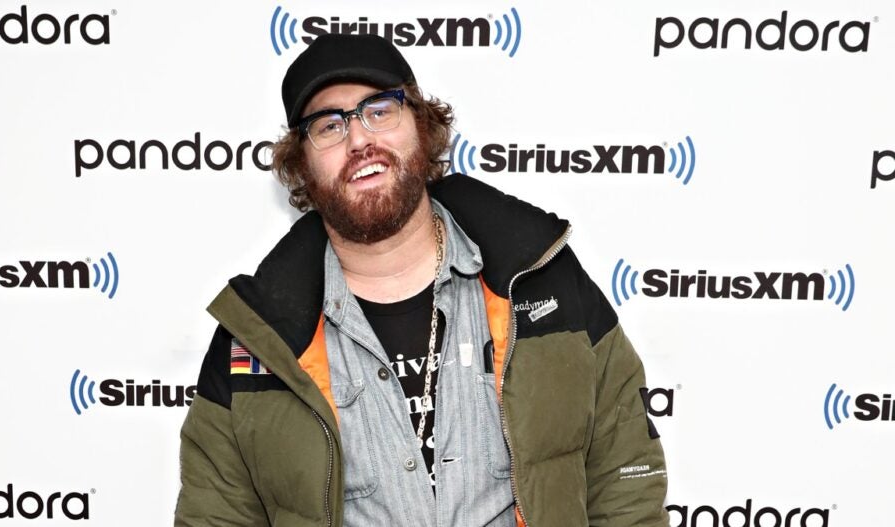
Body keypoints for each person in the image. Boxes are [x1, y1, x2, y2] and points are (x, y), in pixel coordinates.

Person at [175, 34, 669, 527]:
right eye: (328, 125)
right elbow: (215, 516)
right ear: (301, 162)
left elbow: (625, 477)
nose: (358, 140)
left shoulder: (542, 281)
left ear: (422, 126)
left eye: (379, 111)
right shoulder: (257, 339)